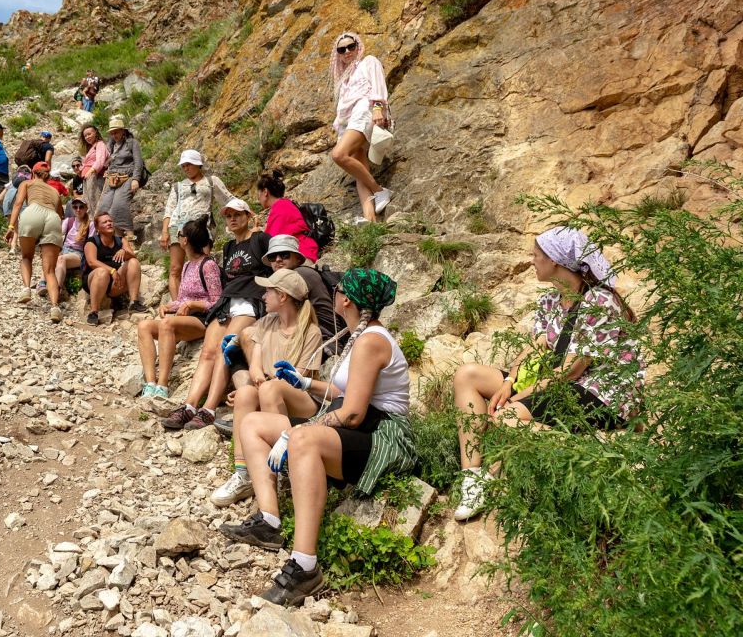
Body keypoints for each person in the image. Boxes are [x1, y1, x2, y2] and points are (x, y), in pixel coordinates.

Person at [219, 269, 413, 606]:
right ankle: (269, 520)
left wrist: (299, 430)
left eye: (337, 290)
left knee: (303, 440)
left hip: (384, 434)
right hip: (365, 424)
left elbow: (352, 412)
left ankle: (305, 565)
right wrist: (305, 383)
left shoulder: (370, 341)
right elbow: (343, 392)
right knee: (251, 424)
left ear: (347, 300)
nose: (334, 294)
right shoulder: (363, 335)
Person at [451, 226, 642, 521]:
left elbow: (573, 369)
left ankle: (592, 453)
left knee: (508, 417)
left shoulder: (600, 302)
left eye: (536, 255)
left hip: (601, 391)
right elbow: (536, 347)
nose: (531, 261)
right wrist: (509, 380)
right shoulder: (551, 301)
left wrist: (518, 398)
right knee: (467, 375)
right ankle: (473, 478)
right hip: (561, 382)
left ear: (555, 261)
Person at [210, 268, 325, 507]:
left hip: (302, 401)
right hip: (270, 388)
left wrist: (266, 380)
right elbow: (256, 363)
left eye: (269, 291)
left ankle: (283, 467)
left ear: (282, 297)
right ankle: (243, 473)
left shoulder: (311, 332)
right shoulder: (267, 322)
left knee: (270, 389)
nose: (263, 295)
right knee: (245, 393)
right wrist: (256, 376)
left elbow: (301, 378)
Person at [161, 198, 270, 432]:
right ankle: (189, 406)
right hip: (226, 302)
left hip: (249, 300)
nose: (232, 218)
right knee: (207, 353)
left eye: (237, 214)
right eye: (228, 215)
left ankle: (208, 409)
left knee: (225, 347)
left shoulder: (260, 239)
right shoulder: (229, 247)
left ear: (248, 215)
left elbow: (277, 261)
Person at [136, 217, 221, 397]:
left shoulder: (209, 265)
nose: (178, 237)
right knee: (144, 326)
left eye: (180, 234)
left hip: (202, 320)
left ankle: (163, 385)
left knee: (167, 324)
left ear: (185, 240)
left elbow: (217, 300)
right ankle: (150, 383)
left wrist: (193, 304)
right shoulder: (187, 265)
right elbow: (182, 299)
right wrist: (168, 305)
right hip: (184, 318)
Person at [327, 32, 392, 222]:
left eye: (351, 46)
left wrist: (379, 108)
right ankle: (371, 221)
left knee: (338, 155)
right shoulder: (344, 80)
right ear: (337, 54)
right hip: (347, 123)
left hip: (364, 113)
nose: (347, 51)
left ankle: (380, 190)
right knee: (359, 172)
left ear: (358, 47)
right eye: (342, 49)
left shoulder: (368, 62)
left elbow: (378, 85)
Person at [162, 149, 233, 301]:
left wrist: (246, 210)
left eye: (189, 164)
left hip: (201, 229)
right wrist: (164, 232)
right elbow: (169, 209)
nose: (186, 168)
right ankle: (177, 305)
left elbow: (228, 199)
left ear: (198, 164)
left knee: (204, 264)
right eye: (183, 166)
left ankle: (207, 301)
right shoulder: (178, 186)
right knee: (175, 268)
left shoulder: (211, 181)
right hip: (178, 227)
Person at [5, 162, 65, 323]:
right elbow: (61, 214)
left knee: (27, 257)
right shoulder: (54, 190)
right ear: (47, 174)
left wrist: (11, 226)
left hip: (33, 212)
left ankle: (26, 290)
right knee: (50, 270)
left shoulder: (27, 183)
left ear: (33, 172)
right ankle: (54, 307)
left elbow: (18, 204)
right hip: (52, 218)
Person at [262, 234, 343, 353]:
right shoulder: (298, 275)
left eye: (284, 255)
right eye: (272, 257)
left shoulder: (299, 274)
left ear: (298, 259)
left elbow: (273, 314)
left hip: (325, 343)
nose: (278, 259)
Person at [83, 212, 146, 325]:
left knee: (133, 262)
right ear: (97, 227)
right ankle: (93, 312)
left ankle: (134, 303)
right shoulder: (92, 242)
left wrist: (124, 252)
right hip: (96, 280)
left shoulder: (120, 240)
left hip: (115, 283)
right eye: (105, 222)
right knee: (102, 272)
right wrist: (111, 271)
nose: (109, 224)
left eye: (110, 221)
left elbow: (133, 256)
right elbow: (92, 262)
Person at [97, 115, 144, 245]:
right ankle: (117, 239)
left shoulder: (132, 143)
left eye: (116, 132)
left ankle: (129, 235)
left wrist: (136, 179)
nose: (114, 135)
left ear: (123, 131)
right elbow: (108, 162)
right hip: (112, 179)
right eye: (112, 133)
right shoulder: (111, 145)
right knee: (104, 206)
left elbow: (138, 162)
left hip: (127, 177)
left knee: (119, 204)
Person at [257, 170, 319, 264]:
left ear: (265, 192)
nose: (258, 199)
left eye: (258, 194)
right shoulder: (285, 204)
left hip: (300, 256)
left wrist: (256, 234)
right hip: (298, 255)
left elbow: (271, 240)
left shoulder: (280, 206)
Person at [56, 197, 92, 295]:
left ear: (86, 209)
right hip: (65, 249)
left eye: (81, 207)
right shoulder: (68, 221)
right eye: (75, 207)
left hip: (78, 253)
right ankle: (43, 282)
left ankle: (57, 289)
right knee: (50, 257)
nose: (78, 209)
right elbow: (59, 235)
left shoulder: (90, 224)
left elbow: (91, 243)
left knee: (61, 259)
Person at [78, 125, 108, 214]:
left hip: (95, 177)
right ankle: (93, 224)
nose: (87, 137)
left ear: (95, 132)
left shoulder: (100, 144)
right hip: (89, 177)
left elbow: (100, 160)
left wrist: (91, 171)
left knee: (95, 201)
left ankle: (98, 223)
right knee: (89, 203)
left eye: (89, 134)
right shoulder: (92, 147)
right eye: (85, 136)